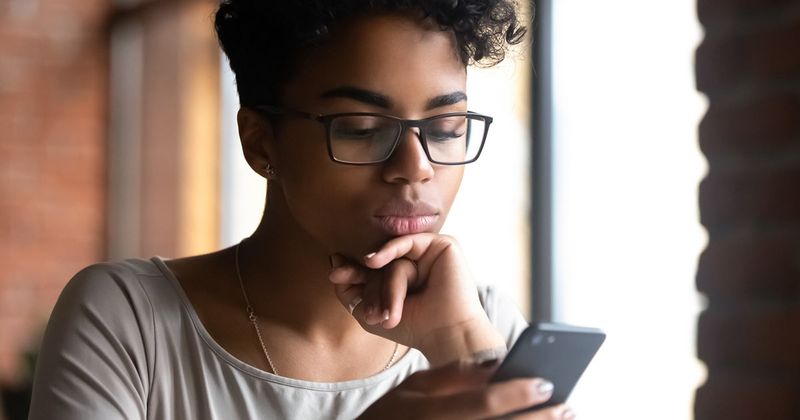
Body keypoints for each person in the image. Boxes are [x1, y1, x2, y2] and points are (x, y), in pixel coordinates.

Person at [28, 1, 576, 418]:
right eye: (361, 129)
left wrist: (459, 344)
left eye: (444, 129)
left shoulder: (485, 322)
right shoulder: (130, 323)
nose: (417, 166)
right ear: (262, 142)